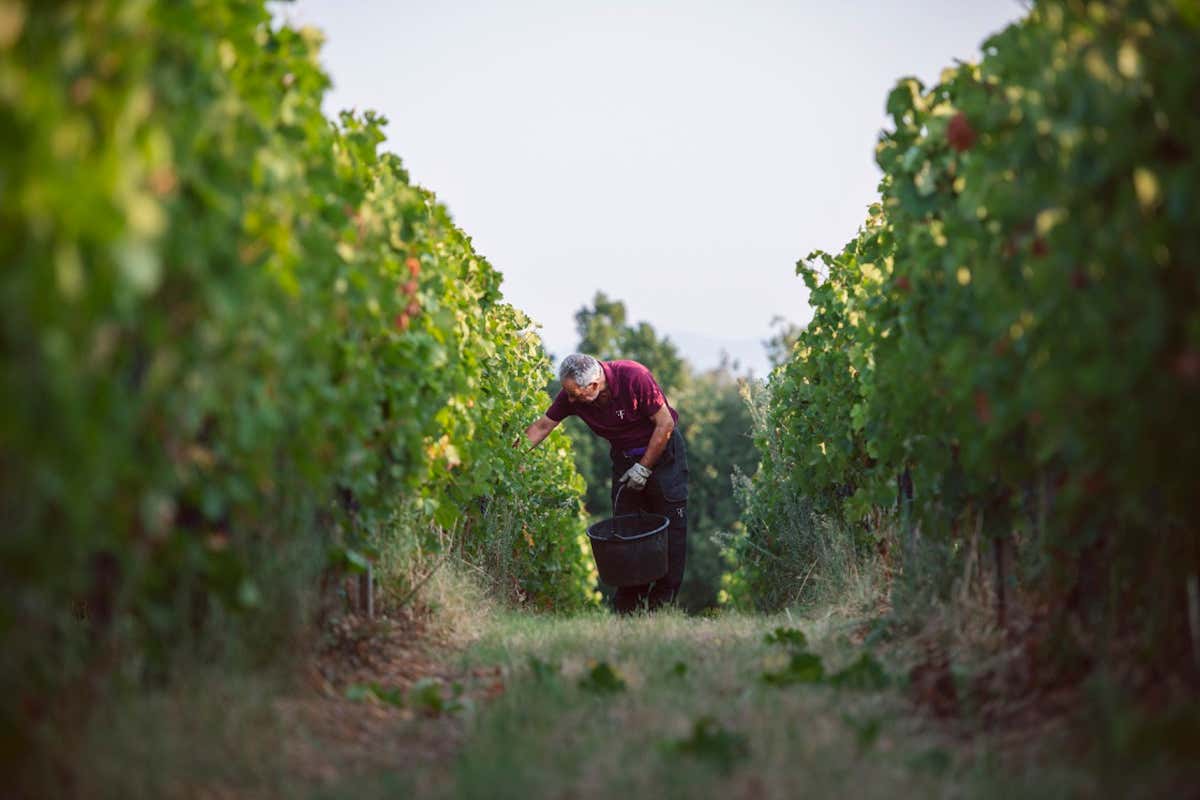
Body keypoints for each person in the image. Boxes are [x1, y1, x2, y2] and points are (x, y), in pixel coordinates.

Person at [519, 353, 688, 613]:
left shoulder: (634, 377)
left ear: (595, 385)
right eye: (569, 394)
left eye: (576, 394)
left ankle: (661, 609)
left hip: (664, 456)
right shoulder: (573, 394)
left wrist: (643, 468)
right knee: (624, 531)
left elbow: (664, 424)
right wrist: (511, 458)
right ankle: (627, 611)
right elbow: (542, 426)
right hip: (623, 460)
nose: (571, 400)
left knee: (671, 527)